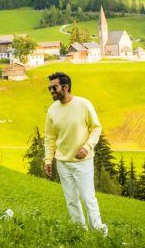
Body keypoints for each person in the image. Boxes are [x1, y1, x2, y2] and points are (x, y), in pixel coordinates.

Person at [44, 72, 108, 236]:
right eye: (49, 88)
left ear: (65, 87)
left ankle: (99, 232)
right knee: (71, 200)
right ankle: (79, 231)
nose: (51, 91)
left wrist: (87, 147)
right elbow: (50, 137)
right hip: (62, 162)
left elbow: (96, 128)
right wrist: (48, 160)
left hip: (83, 161)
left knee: (88, 199)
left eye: (54, 87)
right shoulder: (52, 110)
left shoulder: (84, 104)